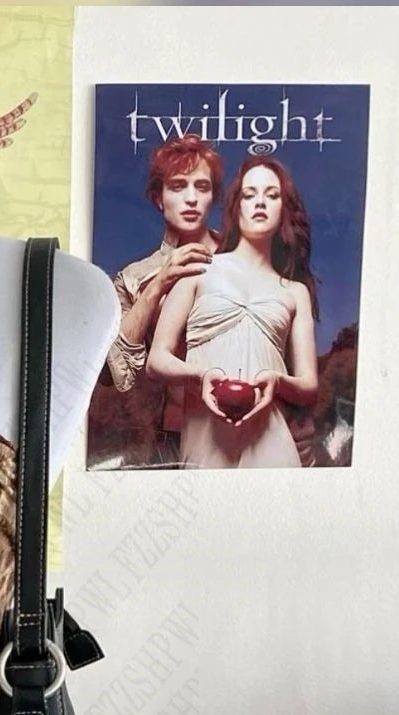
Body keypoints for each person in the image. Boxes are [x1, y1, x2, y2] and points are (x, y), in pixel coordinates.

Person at [147, 155, 320, 469]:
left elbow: (308, 385)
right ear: (236, 206)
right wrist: (200, 375)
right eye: (249, 194)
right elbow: (156, 360)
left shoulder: (295, 292)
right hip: (205, 436)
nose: (260, 202)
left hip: (272, 438)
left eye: (272, 195)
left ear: (284, 209)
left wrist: (277, 381)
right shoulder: (198, 269)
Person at [102, 134, 224, 465]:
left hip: (236, 427)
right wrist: (160, 283)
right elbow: (116, 373)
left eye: (202, 187)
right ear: (159, 198)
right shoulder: (133, 277)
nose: (191, 198)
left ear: (213, 196)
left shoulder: (241, 257)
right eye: (178, 186)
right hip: (164, 437)